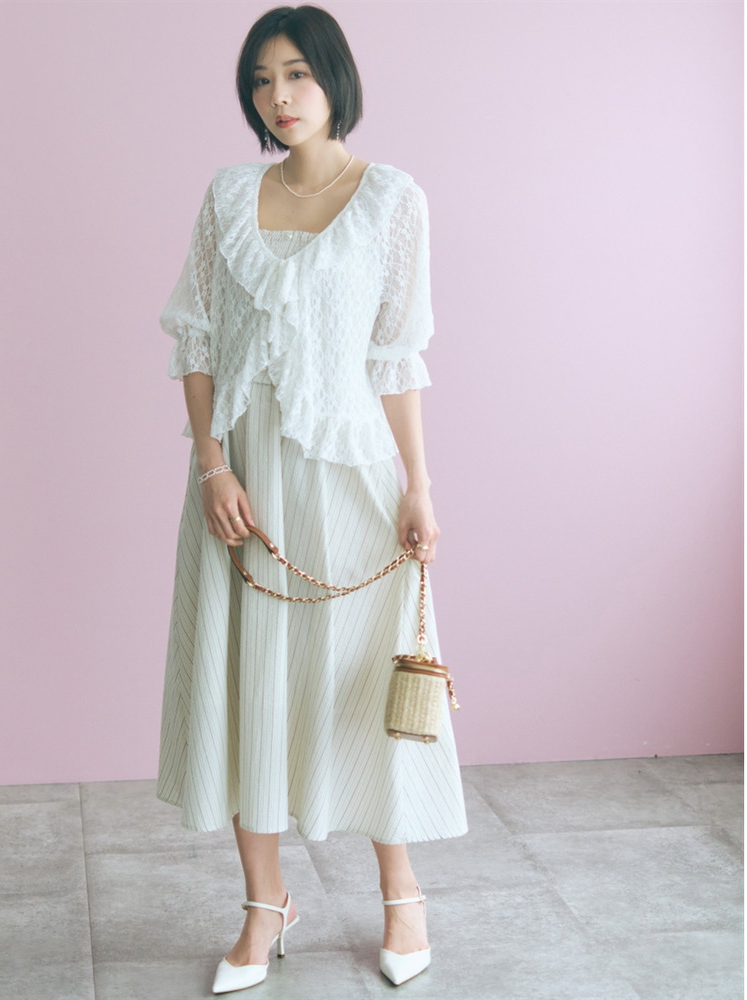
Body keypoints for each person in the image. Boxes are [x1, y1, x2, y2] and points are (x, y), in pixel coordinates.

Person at [156, 5, 467, 992]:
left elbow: (395, 358)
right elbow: (197, 337)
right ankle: (264, 905)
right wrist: (212, 466)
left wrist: (418, 486)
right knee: (246, 683)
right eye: (260, 80)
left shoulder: (392, 199)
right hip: (242, 481)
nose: (278, 97)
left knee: (363, 687)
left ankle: (402, 893)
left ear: (335, 78)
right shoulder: (227, 196)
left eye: (296, 73)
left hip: (349, 474)